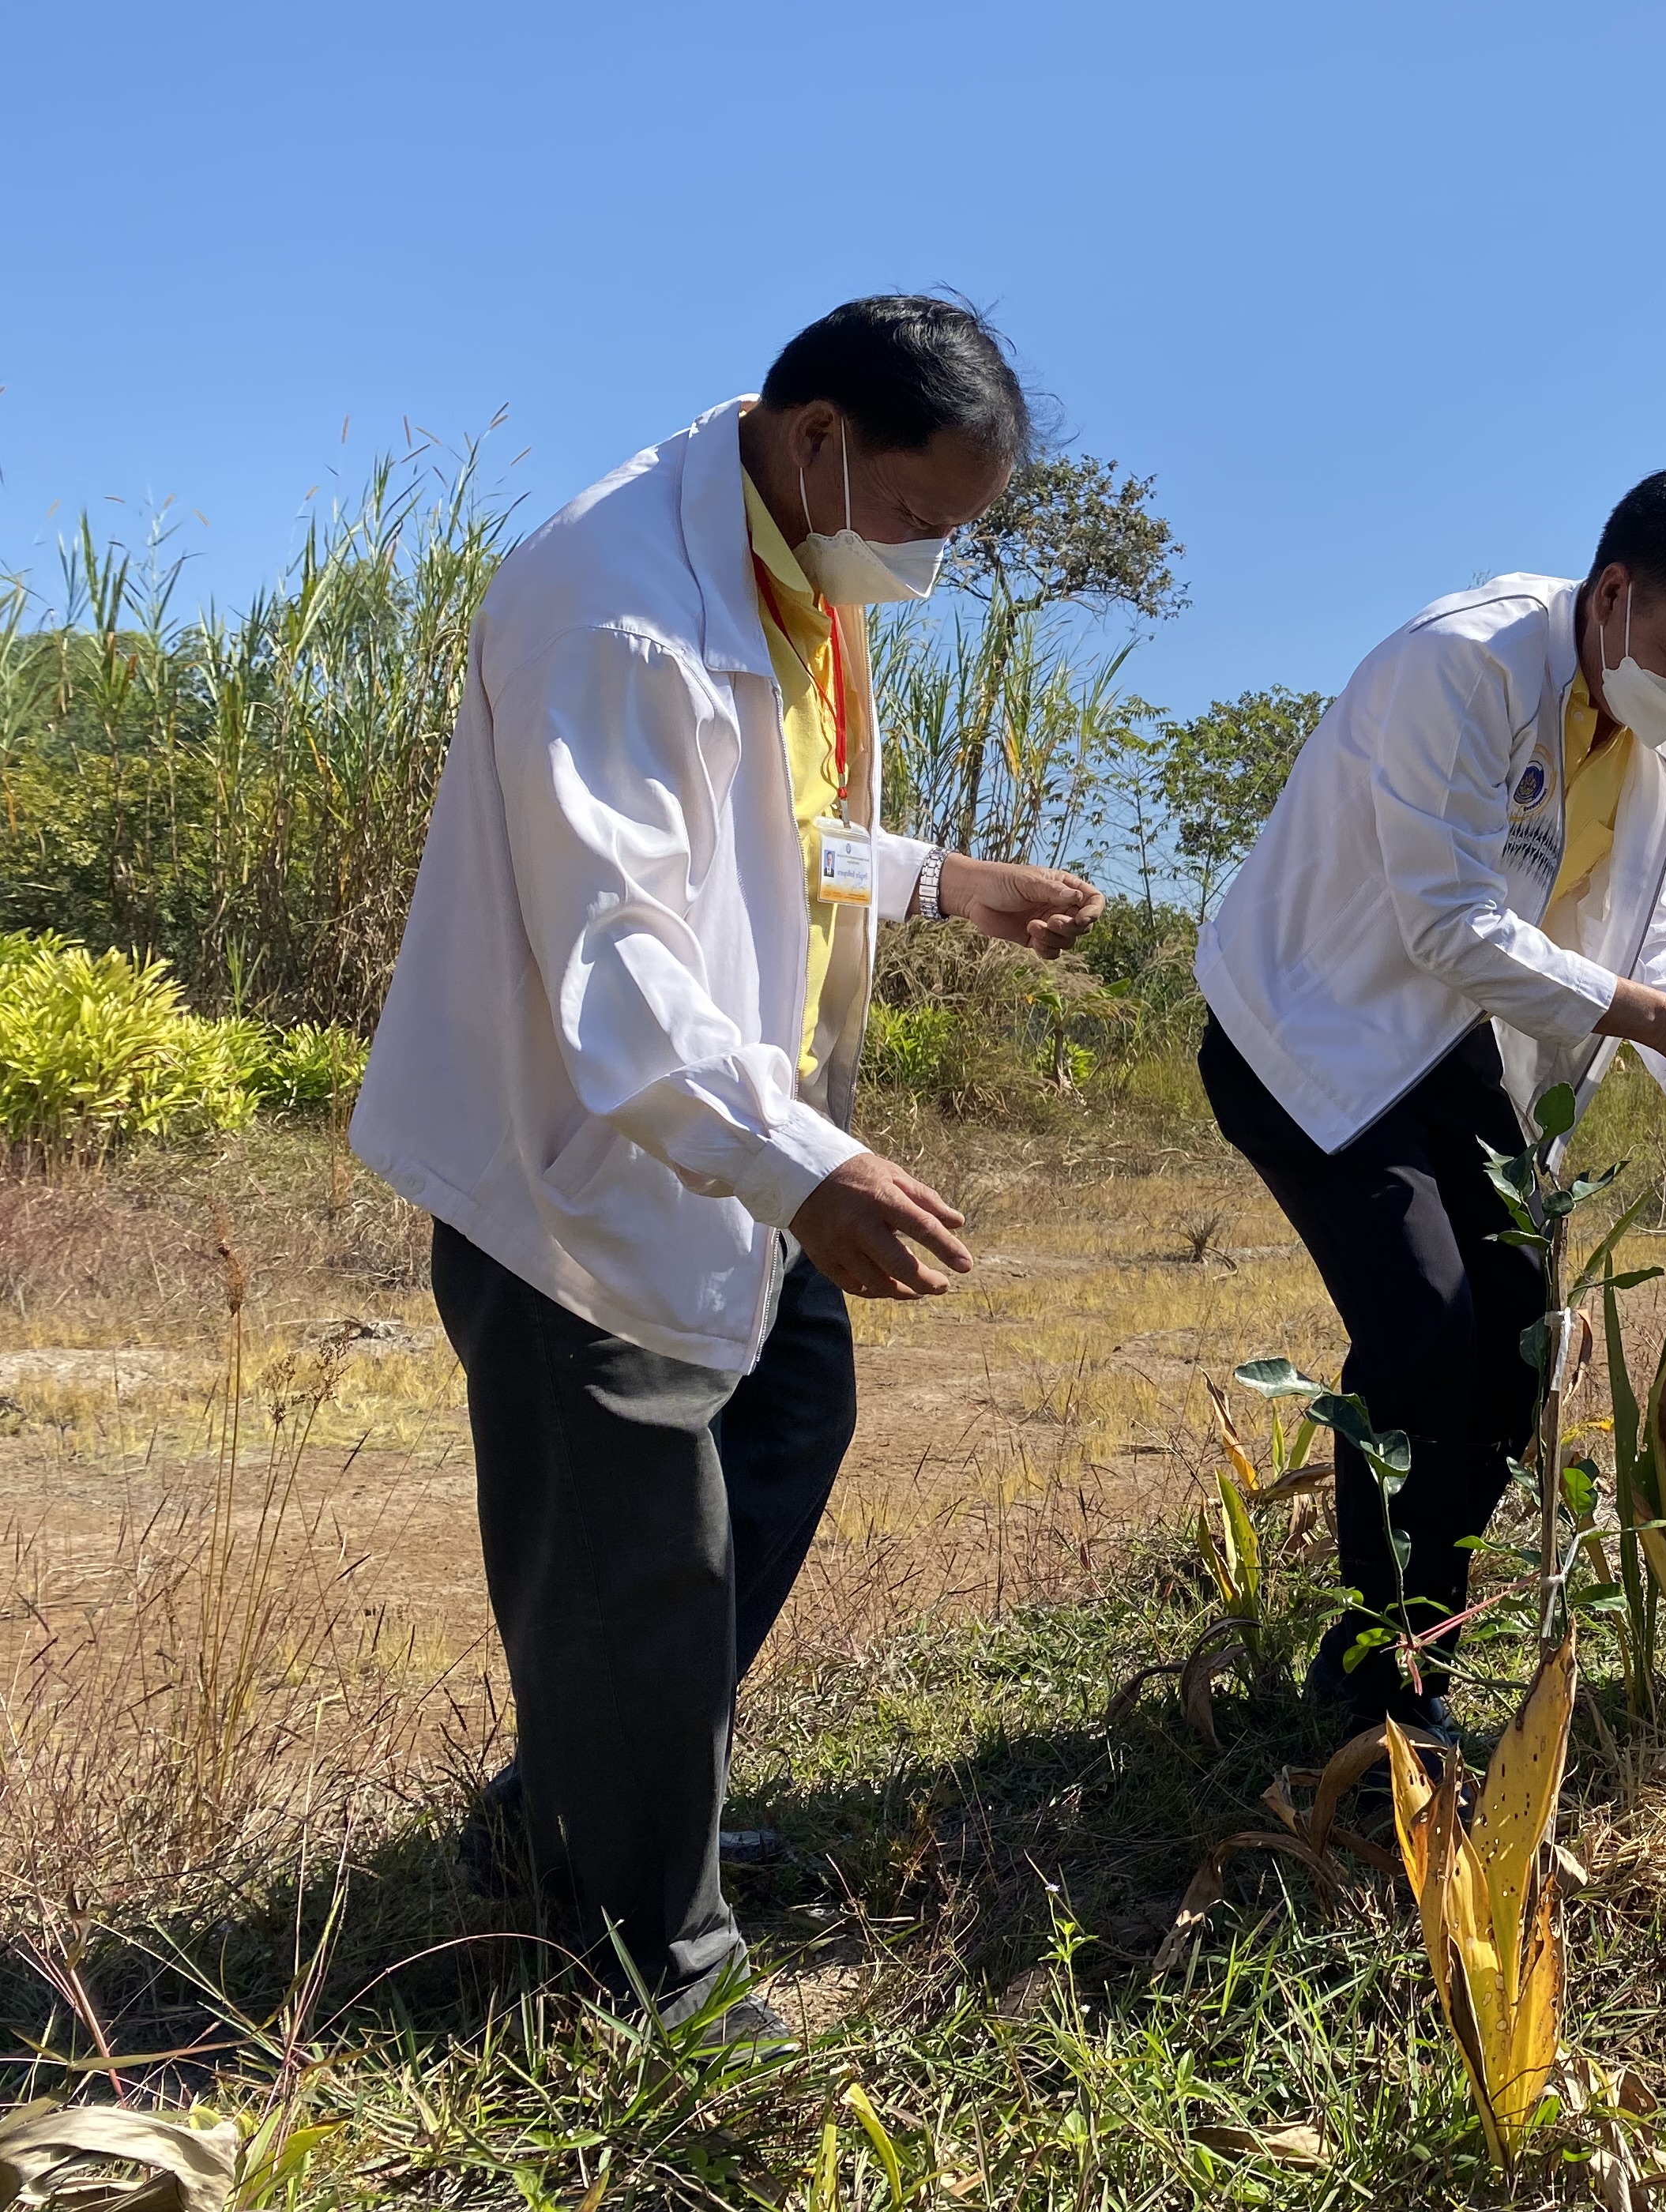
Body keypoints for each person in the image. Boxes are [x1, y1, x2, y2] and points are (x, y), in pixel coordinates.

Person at [351, 295, 1105, 2037]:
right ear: (820, 430)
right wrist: (809, 1171)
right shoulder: (614, 603)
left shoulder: (781, 558)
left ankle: (583, 1814)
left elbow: (761, 821)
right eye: (921, 517)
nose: (928, 558)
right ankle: (655, 1965)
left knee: (783, 1427)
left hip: (722, 1146)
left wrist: (936, 883)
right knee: (641, 1556)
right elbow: (619, 972)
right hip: (577, 1172)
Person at [1195, 467, 1666, 1734]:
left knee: (1517, 1353)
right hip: (1311, 1027)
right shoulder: (1461, 666)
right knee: (1425, 1329)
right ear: (1616, 592)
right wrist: (1653, 1018)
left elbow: (1644, 940)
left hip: (1453, 1056)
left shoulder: (1659, 741)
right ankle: (1373, 1705)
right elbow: (1445, 923)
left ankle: (1420, 1663)